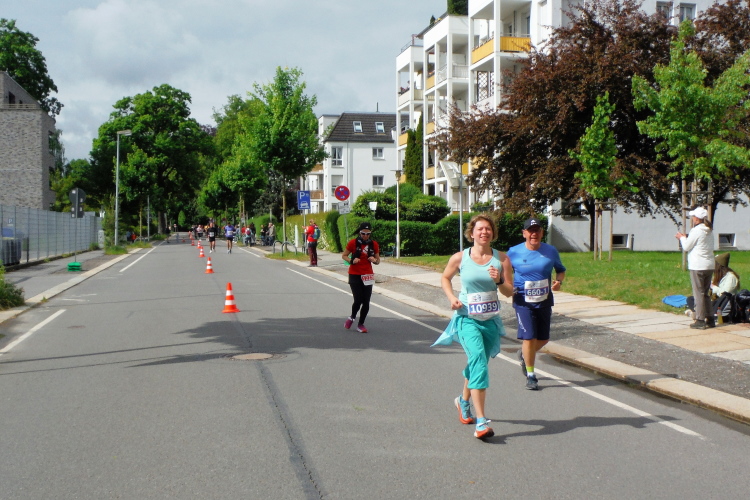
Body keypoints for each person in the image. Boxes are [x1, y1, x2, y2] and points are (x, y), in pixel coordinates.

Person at [434, 214, 514, 440]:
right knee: (478, 361)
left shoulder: (502, 259)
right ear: (472, 233)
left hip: (490, 321)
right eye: (480, 229)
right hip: (467, 318)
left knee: (477, 364)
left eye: (488, 229)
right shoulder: (460, 258)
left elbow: (509, 291)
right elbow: (445, 278)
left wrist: (499, 280)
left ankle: (463, 401)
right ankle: (481, 422)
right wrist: (452, 298)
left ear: (493, 233)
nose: (484, 232)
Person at [507, 217, 566, 391]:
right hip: (523, 300)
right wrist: (507, 285)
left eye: (537, 230)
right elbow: (505, 272)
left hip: (544, 299)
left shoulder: (550, 251)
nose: (534, 234)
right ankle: (531, 375)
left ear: (541, 233)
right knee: (529, 337)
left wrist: (559, 282)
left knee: (543, 338)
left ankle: (525, 355)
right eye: (530, 231)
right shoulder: (513, 252)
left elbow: (561, 270)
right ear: (524, 233)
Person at [676, 206, 715, 329]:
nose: (692, 218)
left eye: (693, 217)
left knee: (698, 293)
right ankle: (710, 318)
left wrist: (682, 238)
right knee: (705, 293)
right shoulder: (709, 230)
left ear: (697, 219)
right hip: (709, 264)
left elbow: (687, 246)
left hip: (698, 265)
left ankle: (700, 320)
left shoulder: (696, 230)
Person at [341, 222, 380, 333]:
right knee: (358, 300)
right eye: (363, 233)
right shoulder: (353, 243)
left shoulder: (374, 244)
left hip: (367, 275)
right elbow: (344, 255)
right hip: (355, 274)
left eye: (368, 234)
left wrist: (374, 260)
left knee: (366, 301)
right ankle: (352, 317)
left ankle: (361, 324)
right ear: (359, 232)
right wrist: (352, 261)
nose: (365, 236)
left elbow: (378, 260)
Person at [686, 252, 740, 322]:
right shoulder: (718, 275)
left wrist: (713, 287)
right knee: (691, 299)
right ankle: (699, 313)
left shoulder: (731, 277)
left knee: (709, 305)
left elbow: (725, 294)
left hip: (724, 303)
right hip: (715, 300)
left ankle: (697, 313)